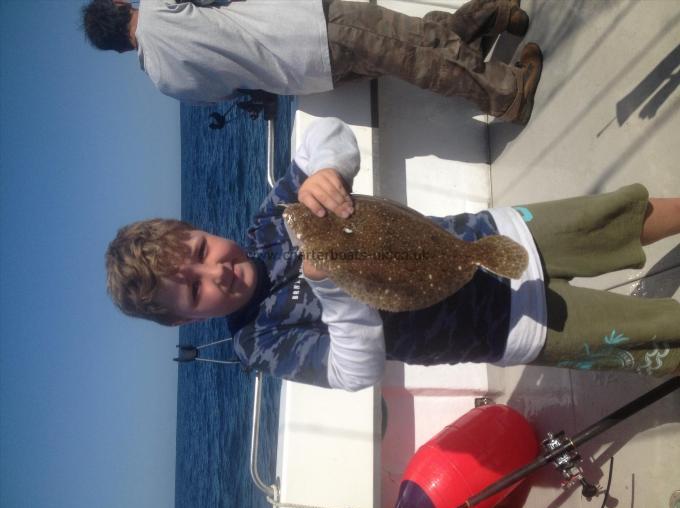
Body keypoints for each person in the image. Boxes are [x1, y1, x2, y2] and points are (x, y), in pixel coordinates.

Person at [105, 118, 680, 390]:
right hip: (503, 328)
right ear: (184, 319)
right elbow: (354, 372)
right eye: (194, 287)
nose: (217, 270)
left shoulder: (274, 218)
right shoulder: (259, 341)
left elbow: (326, 134)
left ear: (201, 229)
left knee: (617, 219)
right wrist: (332, 285)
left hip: (492, 234)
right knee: (649, 329)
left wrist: (327, 171)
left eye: (203, 249)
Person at [81, 0, 542, 124]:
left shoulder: (163, 82)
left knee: (412, 43)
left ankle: (490, 14)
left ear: (120, 51)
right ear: (121, 5)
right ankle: (506, 94)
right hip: (309, 26)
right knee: (414, 51)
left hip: (306, 74)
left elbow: (230, 90)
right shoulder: (158, 7)